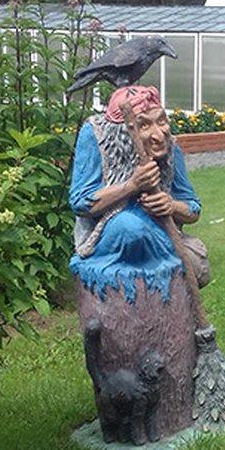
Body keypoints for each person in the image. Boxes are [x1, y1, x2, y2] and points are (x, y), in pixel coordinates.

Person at [68, 86, 205, 303]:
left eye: (161, 121)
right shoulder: (96, 137)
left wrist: (171, 205)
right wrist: (132, 185)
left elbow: (193, 209)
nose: (159, 135)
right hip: (109, 234)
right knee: (130, 228)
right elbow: (81, 203)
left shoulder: (170, 147)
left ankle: (171, 266)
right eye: (144, 125)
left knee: (136, 229)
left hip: (162, 228)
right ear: (123, 132)